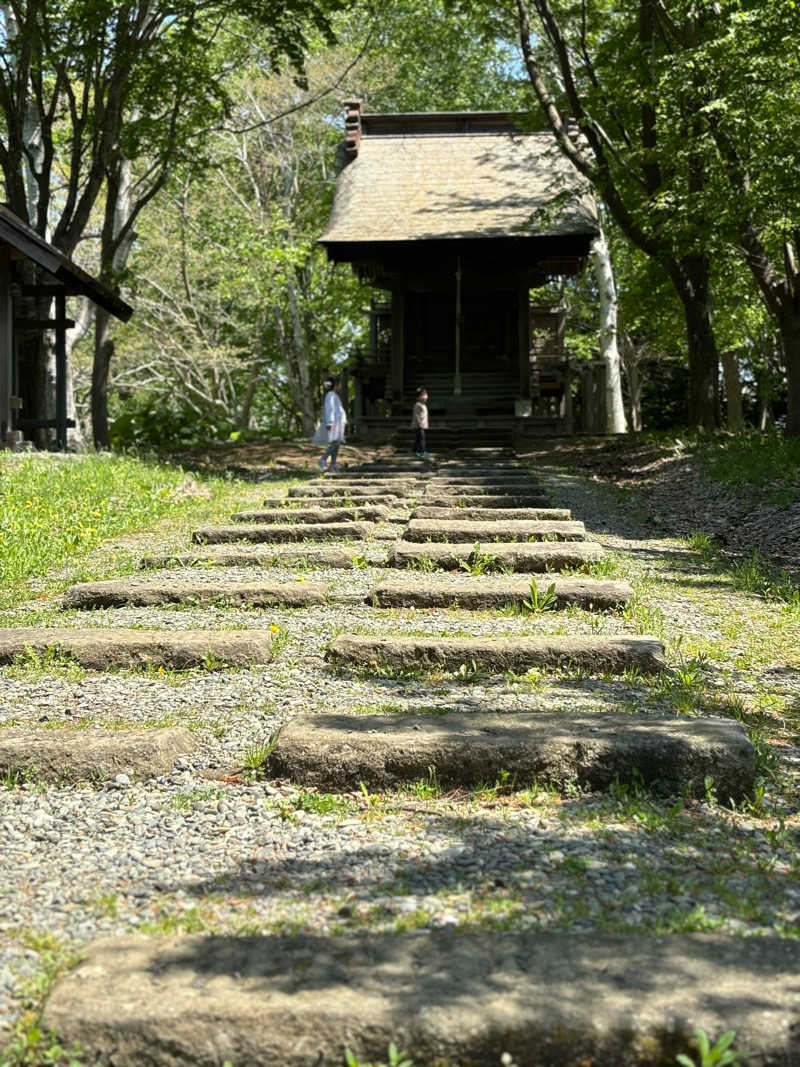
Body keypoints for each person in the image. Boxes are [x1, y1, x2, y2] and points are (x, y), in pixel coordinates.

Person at [318, 376, 347, 471]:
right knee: (335, 443)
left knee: (337, 443)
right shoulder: (330, 395)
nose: (341, 385)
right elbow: (329, 409)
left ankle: (333, 463)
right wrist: (329, 422)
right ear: (336, 385)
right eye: (340, 383)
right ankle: (323, 459)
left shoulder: (334, 395)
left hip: (338, 423)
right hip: (334, 423)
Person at [411, 386, 429, 457]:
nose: (425, 397)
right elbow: (417, 416)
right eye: (422, 395)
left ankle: (414, 451)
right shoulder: (417, 405)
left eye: (425, 395)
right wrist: (420, 424)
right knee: (422, 439)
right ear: (417, 397)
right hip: (419, 426)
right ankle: (423, 451)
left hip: (422, 425)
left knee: (418, 439)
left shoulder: (423, 405)